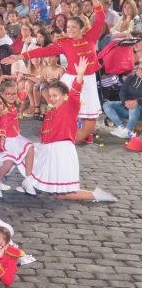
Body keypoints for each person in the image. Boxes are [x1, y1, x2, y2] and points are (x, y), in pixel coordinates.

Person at [3, 0, 103, 143]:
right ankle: (64, 141)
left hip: (88, 81)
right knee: (67, 112)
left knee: (89, 121)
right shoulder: (64, 44)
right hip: (71, 80)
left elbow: (101, 19)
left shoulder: (91, 37)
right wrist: (19, 56)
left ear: (82, 29)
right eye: (68, 27)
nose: (69, 30)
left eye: (73, 27)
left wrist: (96, 2)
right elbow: (42, 52)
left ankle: (77, 137)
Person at [30, 57, 117, 202]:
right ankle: (27, 181)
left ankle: (96, 195)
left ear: (65, 97)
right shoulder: (51, 112)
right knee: (53, 190)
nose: (51, 98)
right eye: (50, 96)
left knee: (62, 193)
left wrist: (80, 75)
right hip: (50, 152)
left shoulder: (69, 107)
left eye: (55, 95)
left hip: (62, 152)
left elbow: (75, 92)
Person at [101, 61, 142, 139]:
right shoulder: (131, 77)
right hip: (127, 106)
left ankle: (128, 130)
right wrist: (125, 102)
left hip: (139, 110)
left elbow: (135, 103)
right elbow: (122, 92)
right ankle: (121, 127)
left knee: (134, 105)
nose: (140, 71)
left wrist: (137, 102)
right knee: (106, 105)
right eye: (139, 68)